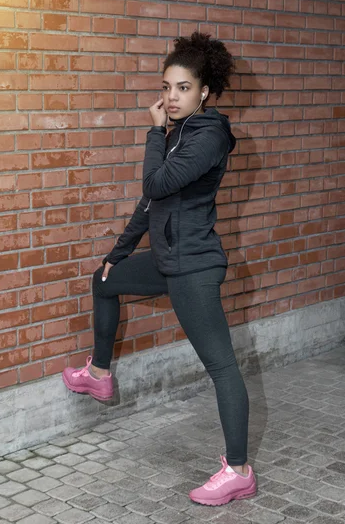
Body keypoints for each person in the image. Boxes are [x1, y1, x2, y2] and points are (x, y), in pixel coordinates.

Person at [62, 31, 257, 506]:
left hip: (192, 268)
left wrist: (154, 132)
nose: (170, 97)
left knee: (222, 368)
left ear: (204, 91)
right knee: (104, 279)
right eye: (166, 87)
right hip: (169, 258)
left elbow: (155, 181)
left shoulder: (207, 136)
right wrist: (117, 253)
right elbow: (151, 203)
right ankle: (101, 374)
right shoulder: (181, 132)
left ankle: (238, 471)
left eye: (183, 88)